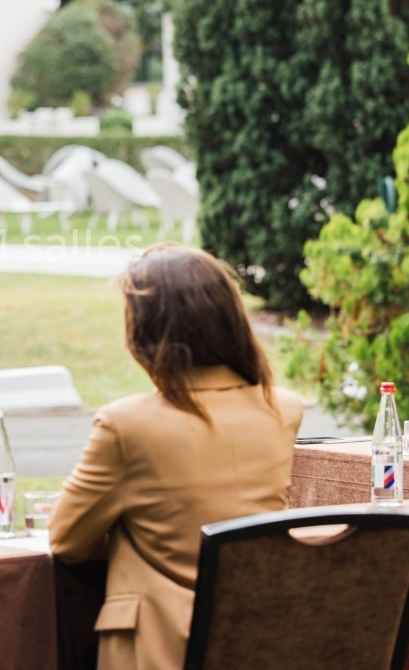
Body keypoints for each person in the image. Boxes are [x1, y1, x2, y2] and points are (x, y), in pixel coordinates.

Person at [49, 243, 305, 670]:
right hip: (261, 636)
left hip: (160, 646)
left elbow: (67, 540)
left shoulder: (125, 425)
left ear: (146, 331)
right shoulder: (283, 409)